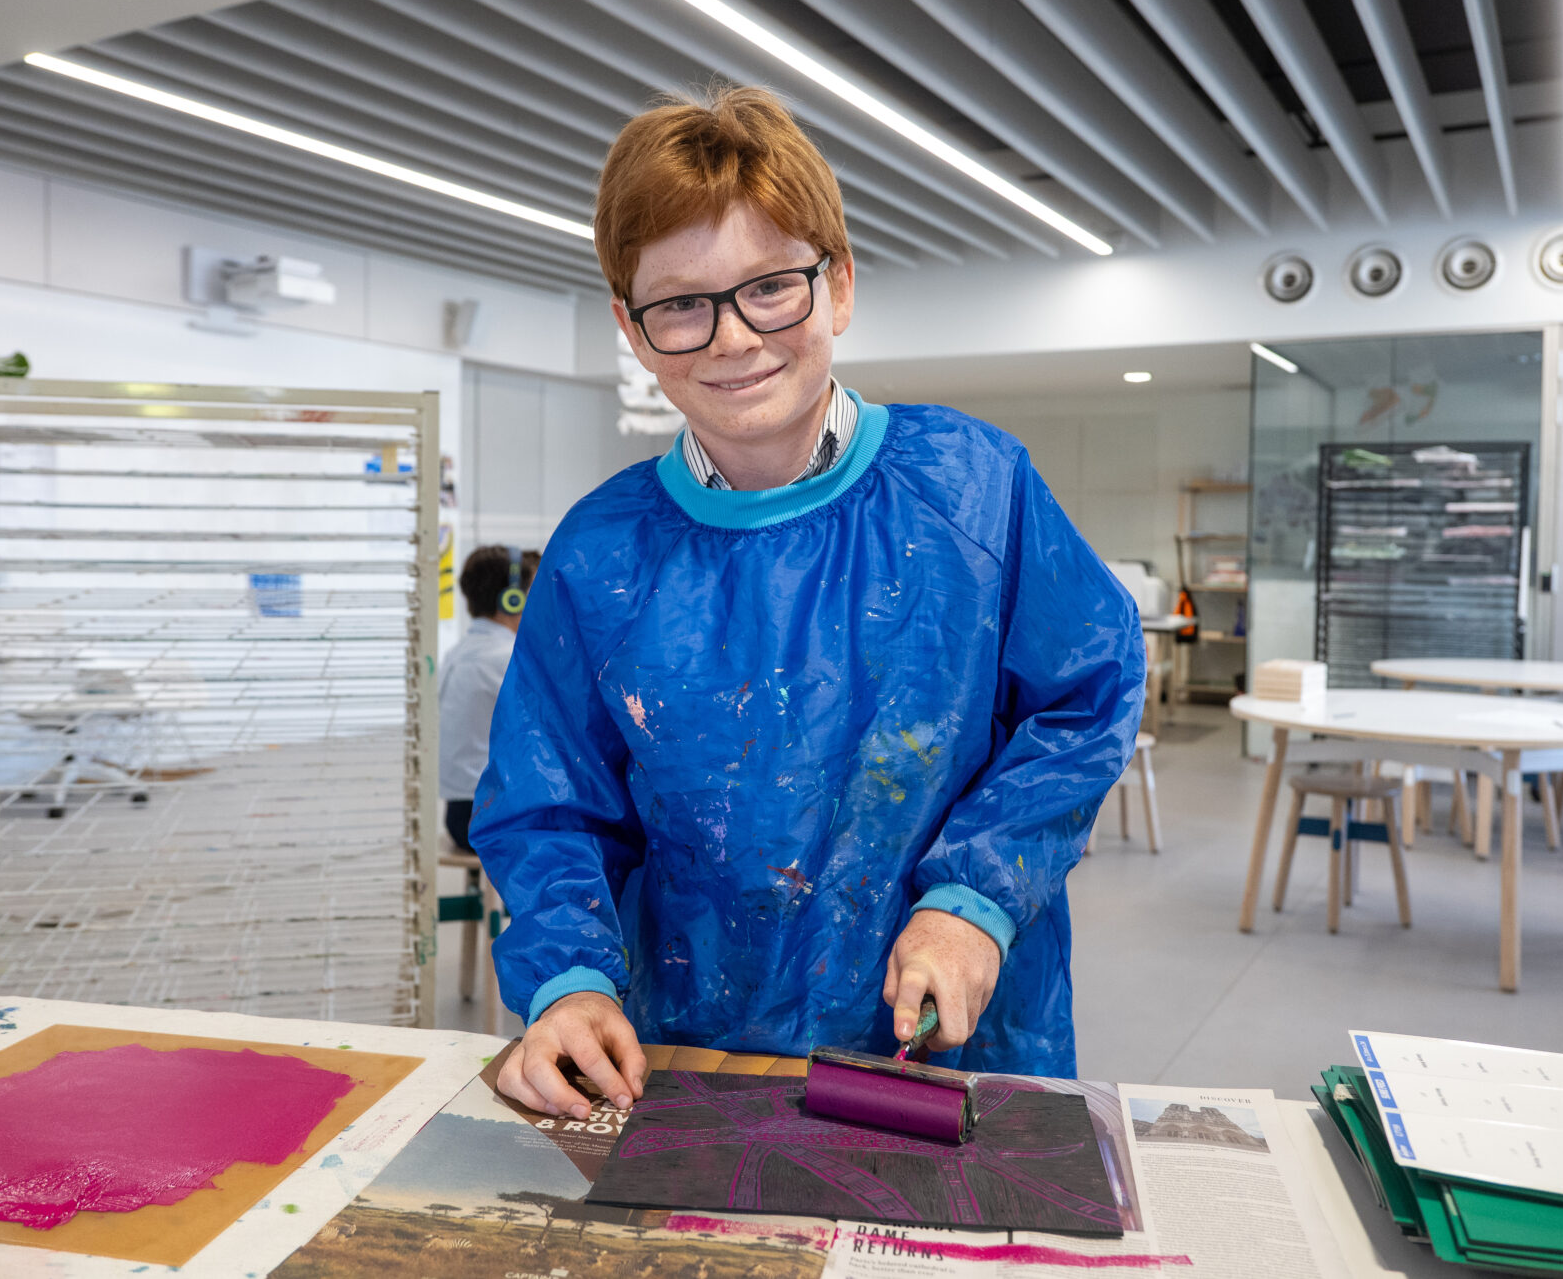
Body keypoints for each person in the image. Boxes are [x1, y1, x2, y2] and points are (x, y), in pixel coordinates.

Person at [471, 86, 1143, 1121]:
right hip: (689, 1056)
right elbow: (549, 806)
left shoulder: (973, 490)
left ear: (836, 287)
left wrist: (975, 901)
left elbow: (1082, 697)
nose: (732, 340)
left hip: (946, 1045)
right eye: (680, 305)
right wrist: (567, 983)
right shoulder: (600, 556)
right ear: (632, 330)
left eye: (770, 287)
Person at [439, 545, 539, 853]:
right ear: (513, 600)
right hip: (488, 815)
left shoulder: (460, 652)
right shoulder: (504, 658)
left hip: (461, 813)